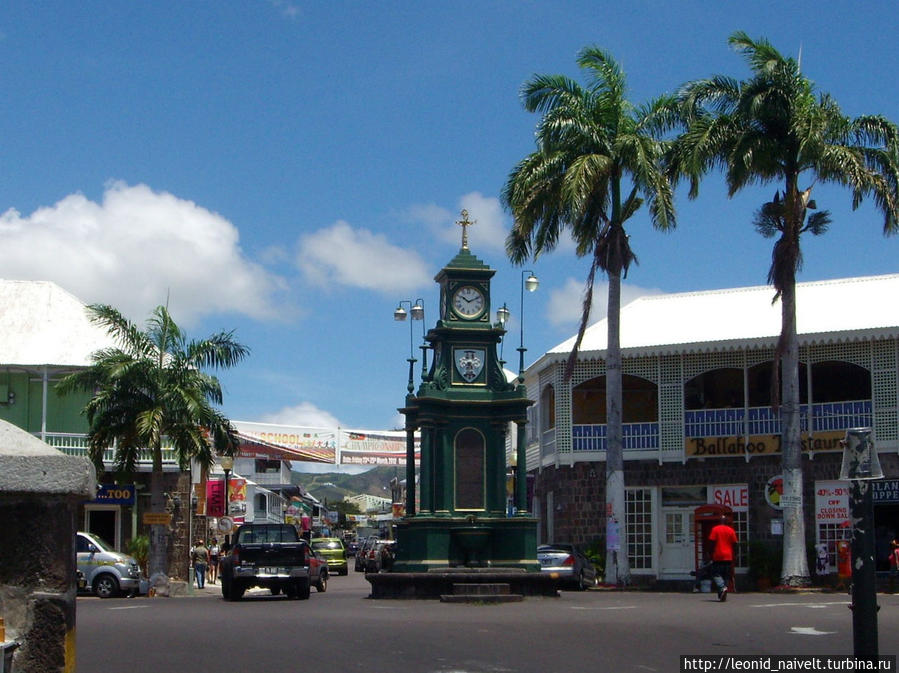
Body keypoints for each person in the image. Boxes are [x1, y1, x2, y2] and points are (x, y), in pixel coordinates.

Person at [708, 515, 737, 602]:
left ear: (719, 521)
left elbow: (712, 542)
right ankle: (723, 592)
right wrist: (735, 555)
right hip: (728, 556)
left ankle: (722, 587)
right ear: (726, 522)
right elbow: (735, 543)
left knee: (716, 574)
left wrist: (710, 553)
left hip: (718, 555)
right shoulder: (731, 530)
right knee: (726, 576)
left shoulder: (715, 529)